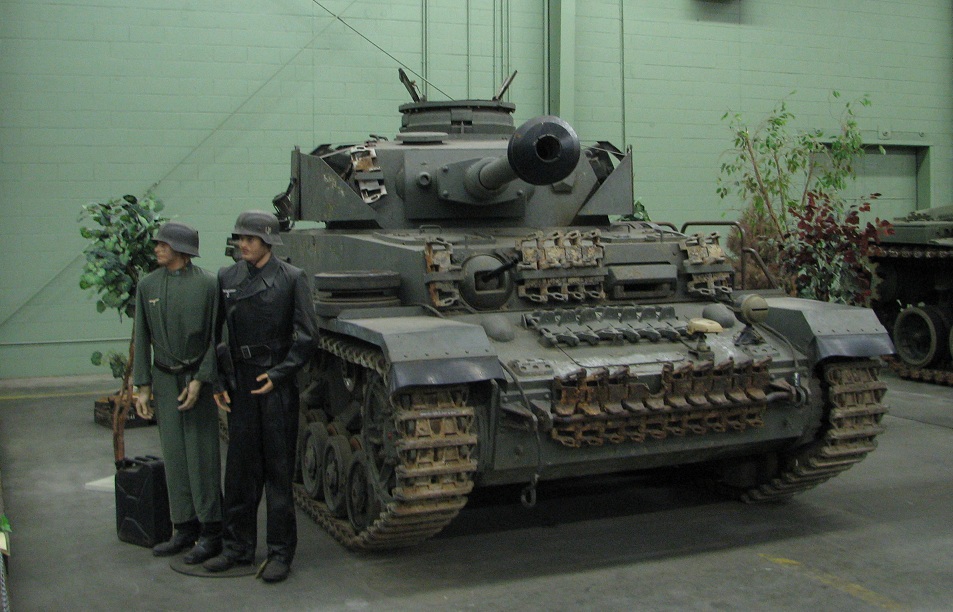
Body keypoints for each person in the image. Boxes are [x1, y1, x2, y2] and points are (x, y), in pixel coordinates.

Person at [203, 210, 317, 584]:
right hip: (241, 381)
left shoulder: (291, 278)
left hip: (275, 384)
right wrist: (219, 381)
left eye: (250, 239)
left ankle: (280, 552)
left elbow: (307, 336)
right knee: (239, 471)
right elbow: (216, 334)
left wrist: (281, 374)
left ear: (268, 241)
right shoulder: (227, 277)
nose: (243, 244)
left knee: (278, 473)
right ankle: (236, 547)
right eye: (240, 238)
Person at [133, 221, 223, 565]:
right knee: (173, 454)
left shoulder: (208, 285)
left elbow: (216, 337)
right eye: (158, 244)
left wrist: (201, 379)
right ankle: (183, 527)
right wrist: (143, 387)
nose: (157, 249)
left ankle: (211, 530)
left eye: (164, 244)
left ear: (182, 250)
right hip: (164, 380)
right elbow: (141, 336)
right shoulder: (148, 285)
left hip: (196, 378)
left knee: (203, 455)